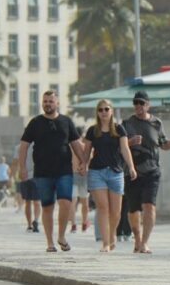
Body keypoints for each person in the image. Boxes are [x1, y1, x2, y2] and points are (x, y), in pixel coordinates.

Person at [18, 90, 87, 252]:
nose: (48, 104)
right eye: (45, 101)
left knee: (65, 203)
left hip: (64, 170)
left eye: (51, 101)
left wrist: (83, 162)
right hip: (42, 172)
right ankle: (50, 243)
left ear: (57, 103)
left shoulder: (66, 121)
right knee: (47, 207)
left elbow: (76, 144)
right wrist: (22, 168)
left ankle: (61, 236)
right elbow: (24, 146)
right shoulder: (35, 123)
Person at [123, 91, 170, 253]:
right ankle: (136, 239)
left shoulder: (156, 123)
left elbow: (164, 145)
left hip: (152, 171)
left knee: (149, 206)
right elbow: (120, 147)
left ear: (148, 104)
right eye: (135, 103)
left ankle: (144, 242)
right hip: (132, 171)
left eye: (141, 103)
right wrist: (129, 142)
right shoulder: (127, 123)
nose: (138, 106)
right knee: (133, 209)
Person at [81, 99, 137, 252]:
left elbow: (125, 149)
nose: (104, 112)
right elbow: (86, 151)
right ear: (97, 113)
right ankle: (106, 243)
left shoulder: (119, 129)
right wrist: (83, 164)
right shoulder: (92, 131)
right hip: (96, 172)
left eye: (106, 109)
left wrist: (131, 167)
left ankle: (112, 236)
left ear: (111, 111)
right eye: (101, 110)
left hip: (116, 172)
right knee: (103, 208)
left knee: (116, 212)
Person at [71, 128, 90, 233]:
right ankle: (84, 222)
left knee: (72, 202)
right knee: (84, 202)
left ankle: (73, 225)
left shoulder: (70, 147)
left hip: (72, 174)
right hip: (84, 175)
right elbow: (89, 161)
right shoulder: (85, 147)